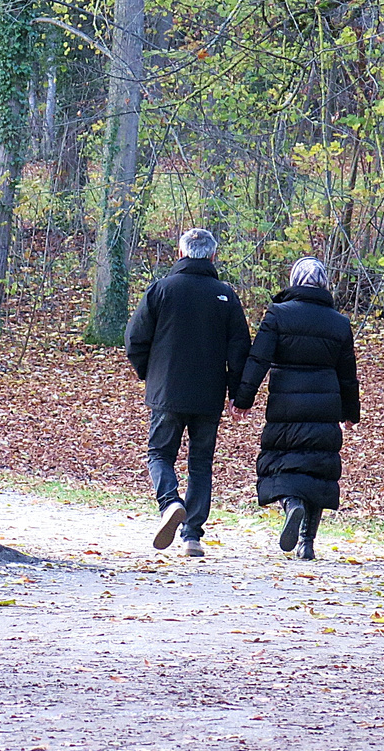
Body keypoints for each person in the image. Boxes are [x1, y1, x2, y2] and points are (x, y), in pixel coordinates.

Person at [125, 228, 251, 556]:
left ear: (180, 254)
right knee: (200, 463)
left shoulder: (161, 290)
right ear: (212, 257)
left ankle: (169, 503)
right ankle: (192, 536)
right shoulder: (225, 295)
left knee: (159, 454)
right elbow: (240, 349)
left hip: (166, 391)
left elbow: (134, 339)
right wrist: (238, 394)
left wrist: (149, 374)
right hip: (209, 396)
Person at [231, 257, 359, 560]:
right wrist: (350, 413)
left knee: (281, 460)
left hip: (285, 402)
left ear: (294, 281)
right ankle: (306, 543)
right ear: (324, 284)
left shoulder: (278, 314)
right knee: (317, 469)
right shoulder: (339, 323)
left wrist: (243, 398)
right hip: (326, 404)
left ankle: (291, 504)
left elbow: (258, 359)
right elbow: (348, 373)